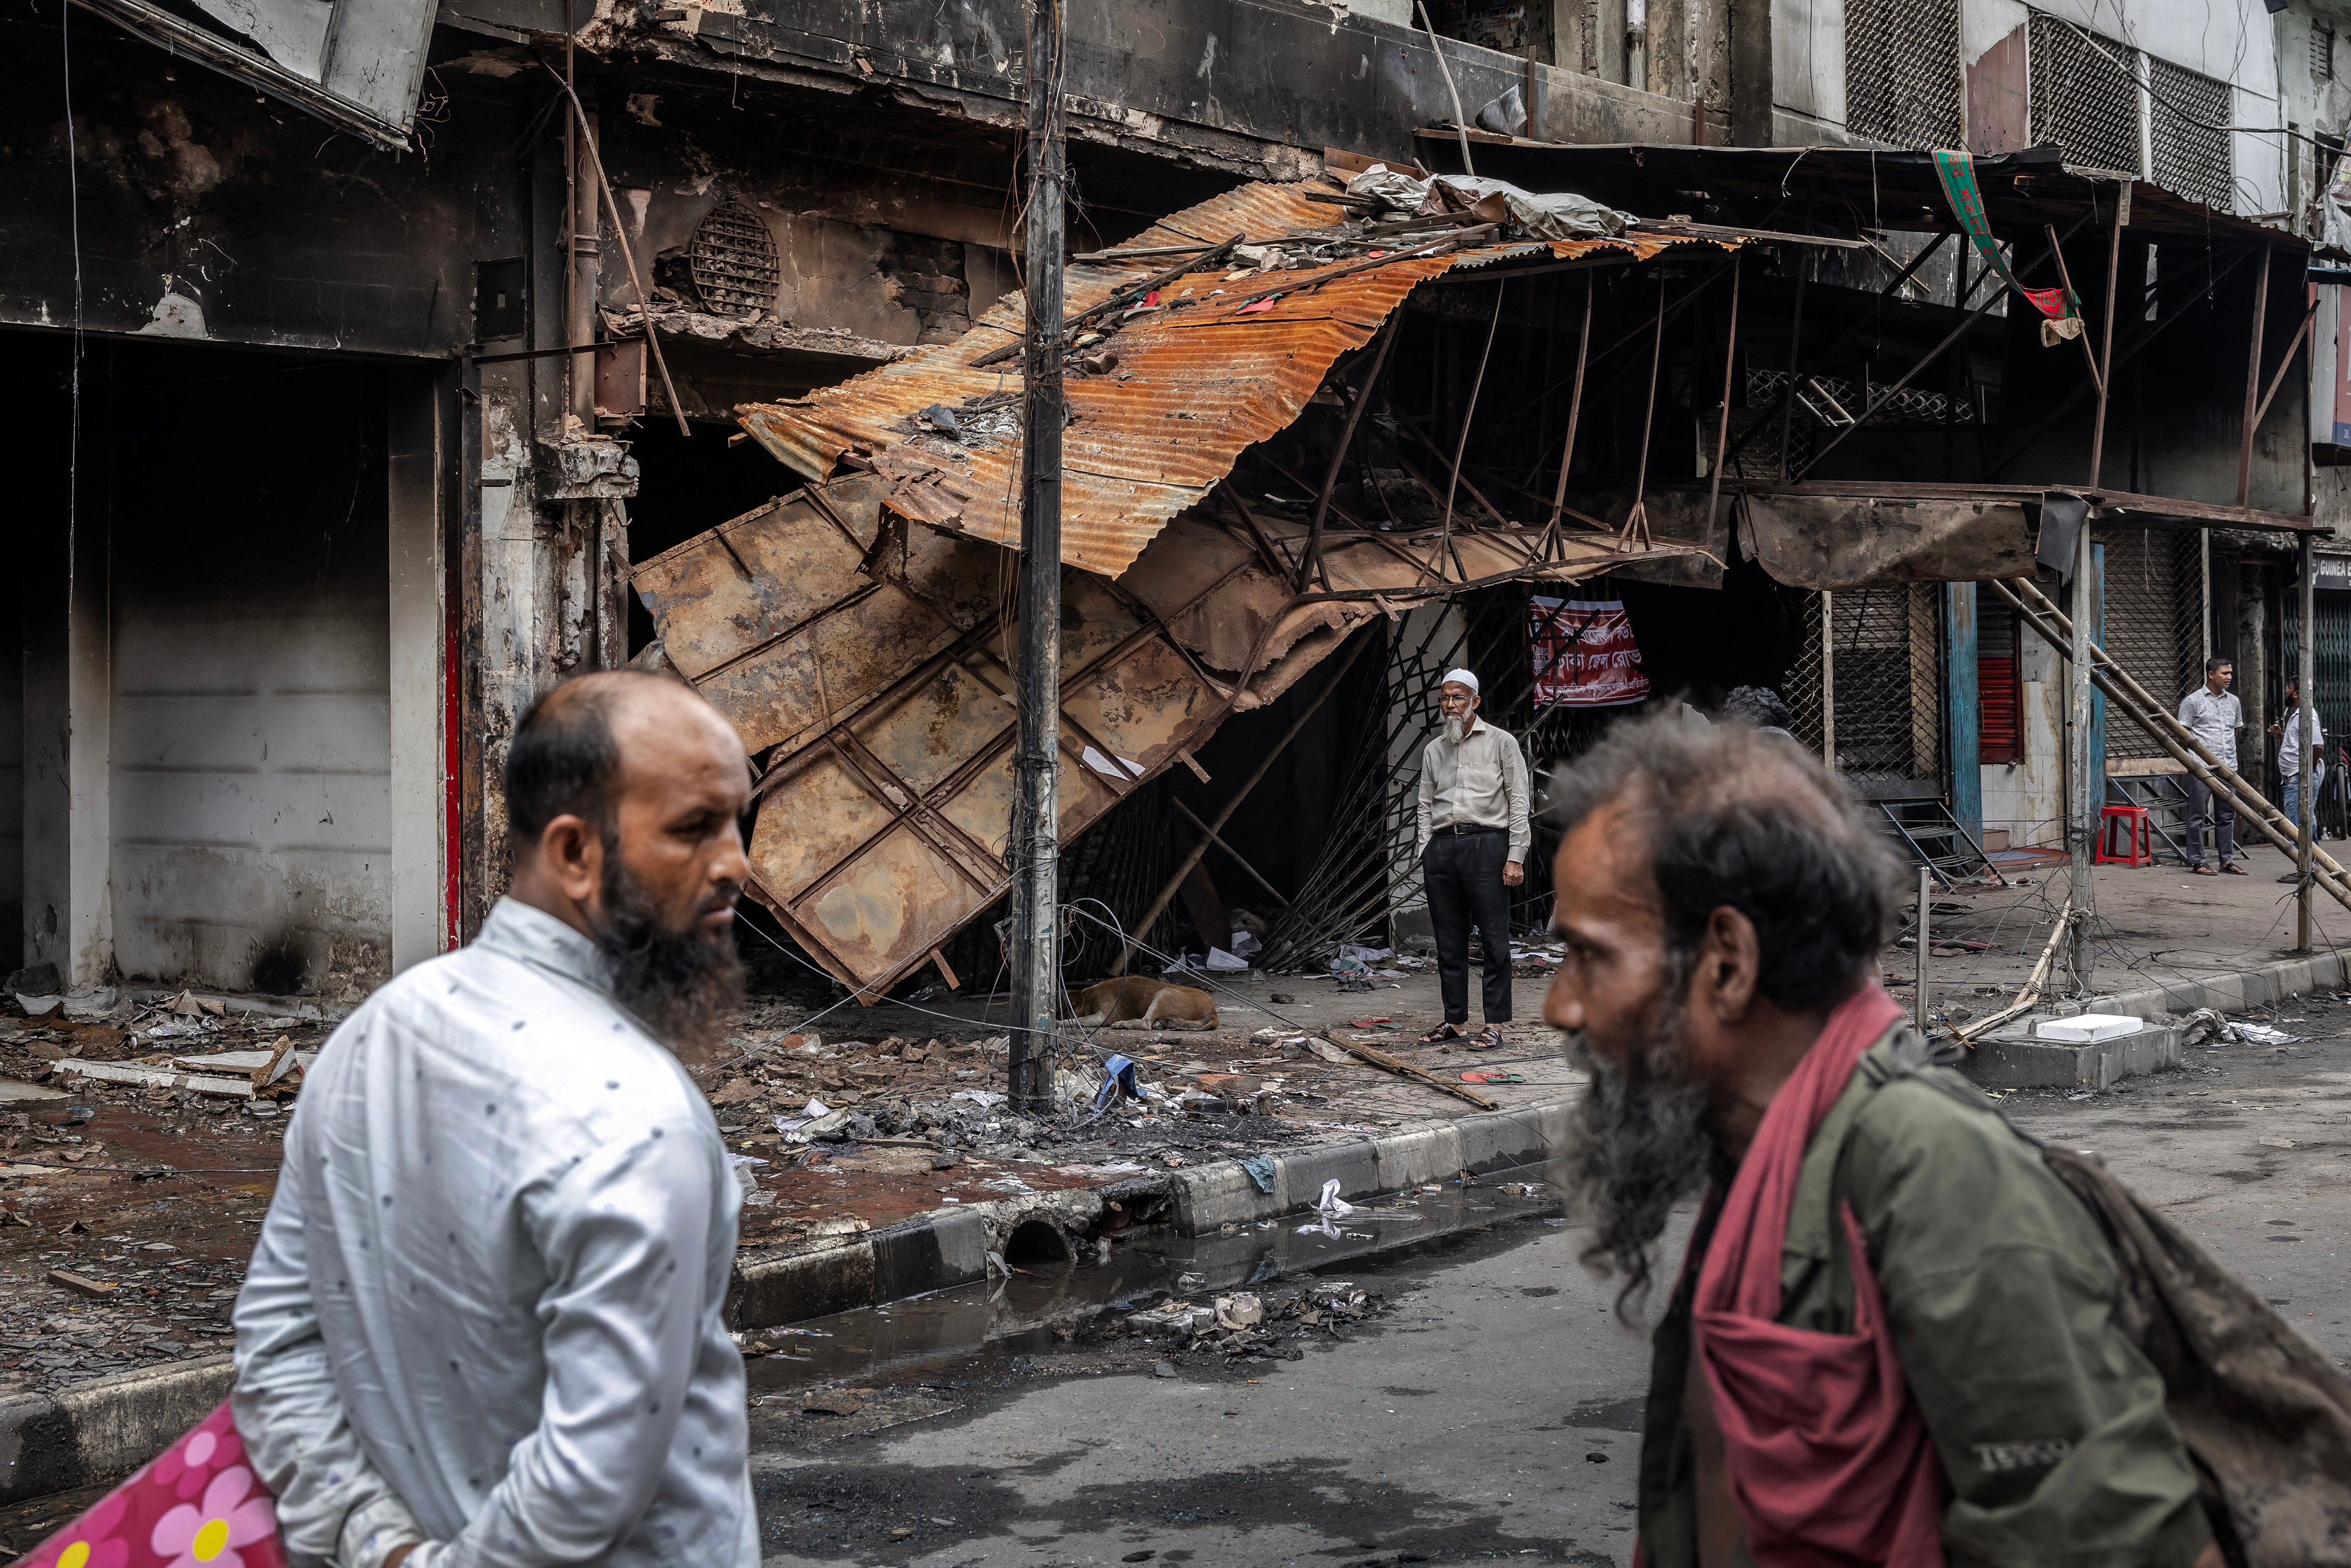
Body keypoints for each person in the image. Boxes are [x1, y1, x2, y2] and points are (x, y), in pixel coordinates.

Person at [1543, 710, 2222, 1568]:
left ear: (1727, 961)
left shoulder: (1933, 1171)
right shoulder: (1755, 1151)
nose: (1560, 1006)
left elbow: (2131, 1545)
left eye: (1589, 956)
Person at [234, 671, 760, 1568]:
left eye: (739, 823)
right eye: (693, 828)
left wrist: (381, 1548)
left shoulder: (370, 1036)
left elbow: (275, 1347)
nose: (737, 863)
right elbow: (585, 1489)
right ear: (574, 853)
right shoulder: (637, 1124)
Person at [1413, 667, 1531, 1051]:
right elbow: (1425, 805)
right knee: (1449, 942)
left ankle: (1494, 1023)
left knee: (1495, 940)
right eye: (1445, 698)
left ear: (1475, 702)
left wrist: (1515, 855)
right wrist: (1425, 849)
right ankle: (1456, 1021)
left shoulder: (1501, 742)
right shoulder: (1434, 750)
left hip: (1487, 846)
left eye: (1458, 697)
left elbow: (1518, 800)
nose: (1450, 705)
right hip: (1443, 849)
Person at [2179, 655, 2245, 876]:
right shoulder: (2193, 701)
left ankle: (2227, 860)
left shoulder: (2233, 701)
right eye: (2224, 673)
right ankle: (2197, 861)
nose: (2229, 677)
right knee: (2197, 815)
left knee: (2227, 815)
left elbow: (2234, 731)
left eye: (2230, 673)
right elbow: (2183, 734)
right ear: (2211, 674)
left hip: (2228, 767)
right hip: (2201, 768)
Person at [2269, 673, 2325, 881]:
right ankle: (2313, 868)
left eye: (2289, 687)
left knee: (2299, 825)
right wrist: (2281, 737)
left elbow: (2317, 746)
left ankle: (2308, 871)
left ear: (2297, 693)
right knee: (2305, 823)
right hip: (2295, 776)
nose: (2286, 690)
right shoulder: (2297, 715)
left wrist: (2307, 771)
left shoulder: (2306, 715)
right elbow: (2298, 745)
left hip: (2298, 777)